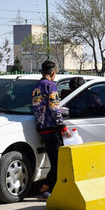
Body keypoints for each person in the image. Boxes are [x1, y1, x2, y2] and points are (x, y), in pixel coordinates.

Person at [31, 60, 71, 199]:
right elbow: (54, 107)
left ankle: (49, 189)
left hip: (42, 128)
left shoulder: (36, 86)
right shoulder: (51, 86)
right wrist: (62, 126)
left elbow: (37, 108)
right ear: (53, 73)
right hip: (52, 129)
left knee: (54, 160)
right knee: (58, 162)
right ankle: (45, 189)